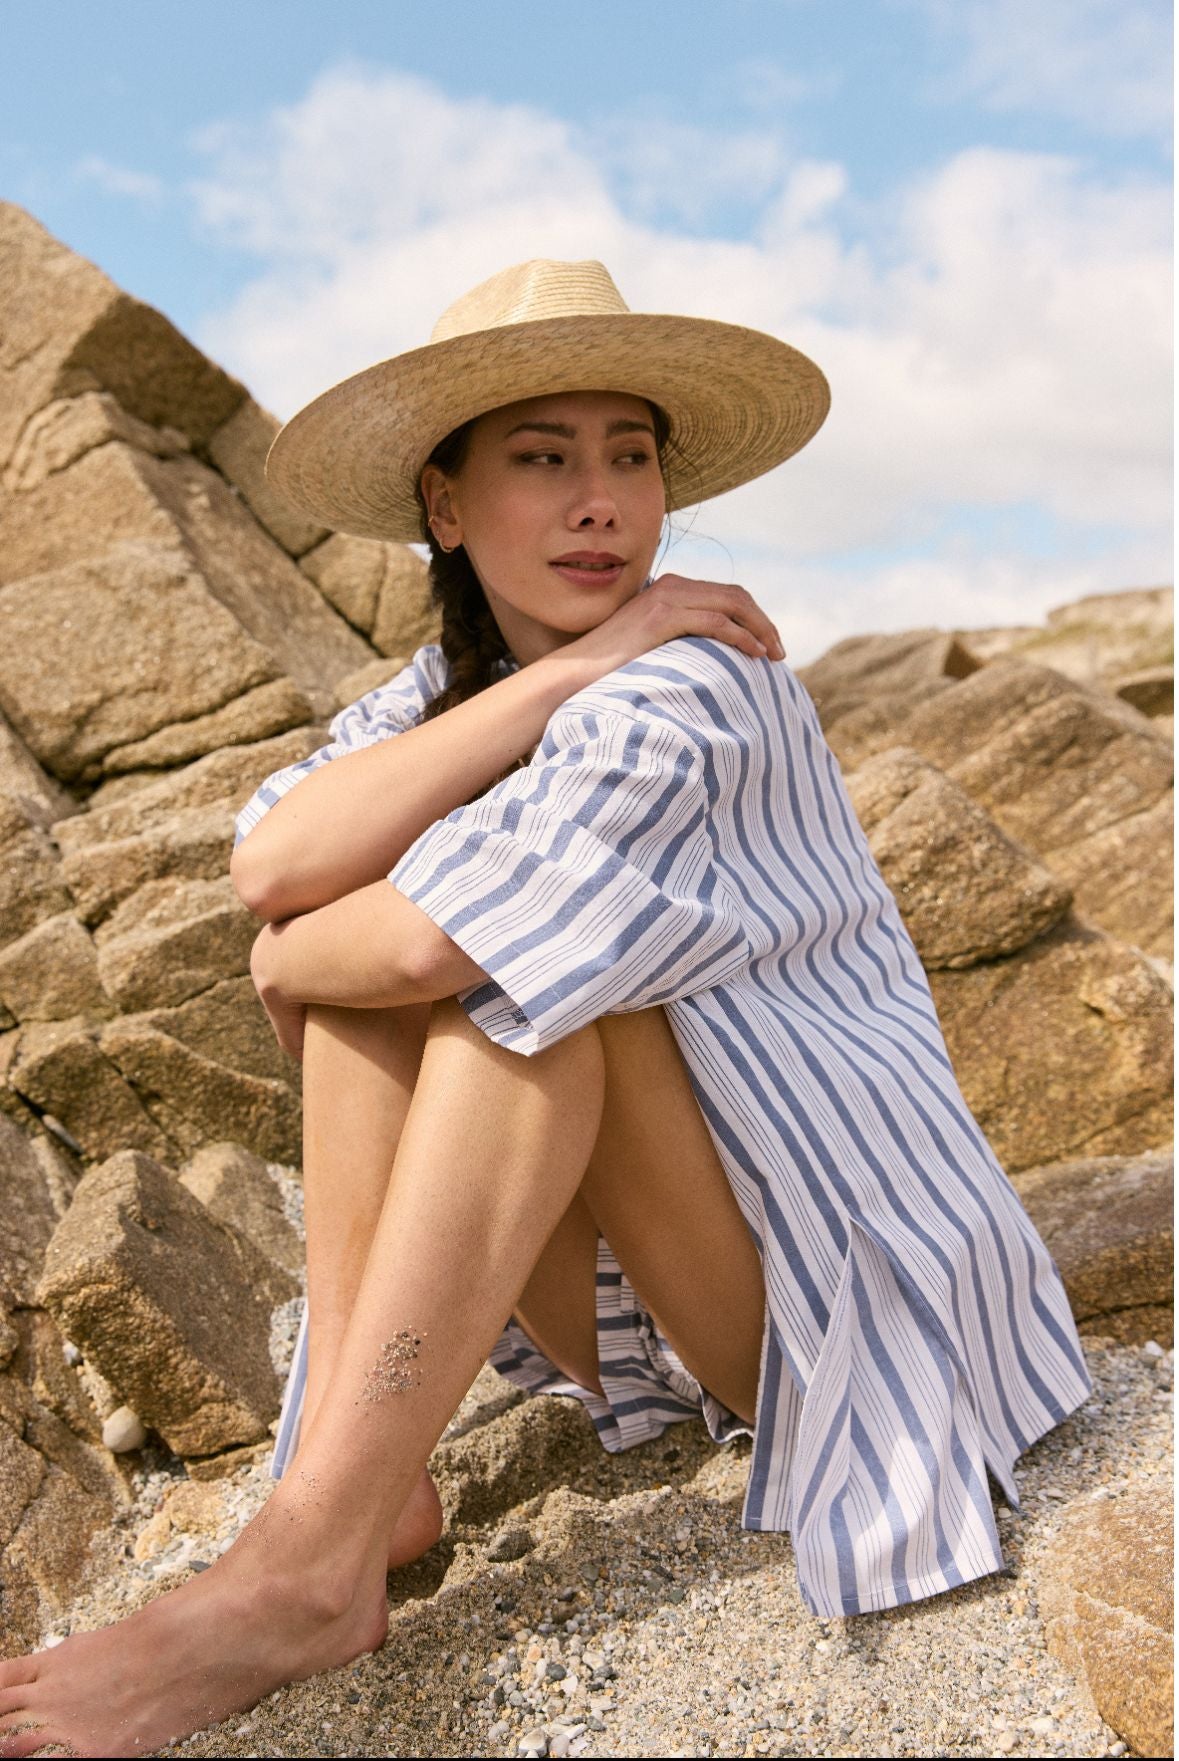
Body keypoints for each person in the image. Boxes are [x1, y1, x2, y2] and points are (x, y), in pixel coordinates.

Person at [0, 259, 1092, 1758]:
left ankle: (300, 1567)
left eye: (628, 457)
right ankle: (355, 1477)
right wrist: (555, 675)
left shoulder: (702, 684)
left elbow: (398, 938)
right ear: (445, 506)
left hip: (844, 1302)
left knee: (532, 988)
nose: (601, 502)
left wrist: (286, 960)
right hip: (652, 1284)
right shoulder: (450, 698)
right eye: (542, 457)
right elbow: (275, 856)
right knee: (428, 965)